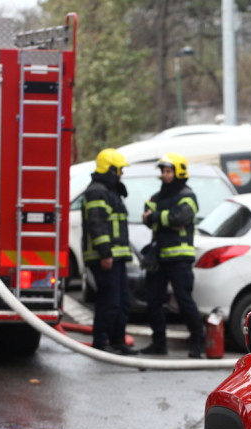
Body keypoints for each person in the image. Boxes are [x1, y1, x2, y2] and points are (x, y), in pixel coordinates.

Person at [140, 152, 205, 358]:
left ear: (179, 172)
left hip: (179, 259)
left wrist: (157, 216)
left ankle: (198, 342)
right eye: (164, 171)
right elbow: (147, 216)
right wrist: (164, 219)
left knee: (184, 301)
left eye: (169, 171)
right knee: (153, 301)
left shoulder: (188, 196)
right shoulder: (156, 197)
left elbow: (180, 218)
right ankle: (159, 343)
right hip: (158, 257)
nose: (166, 175)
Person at [80, 148, 137, 355]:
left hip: (116, 256)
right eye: (119, 169)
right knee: (109, 302)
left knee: (122, 302)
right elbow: (97, 225)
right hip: (104, 257)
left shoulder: (110, 191)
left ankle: (118, 341)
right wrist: (105, 253)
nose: (122, 174)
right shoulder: (97, 192)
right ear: (110, 169)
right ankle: (101, 341)